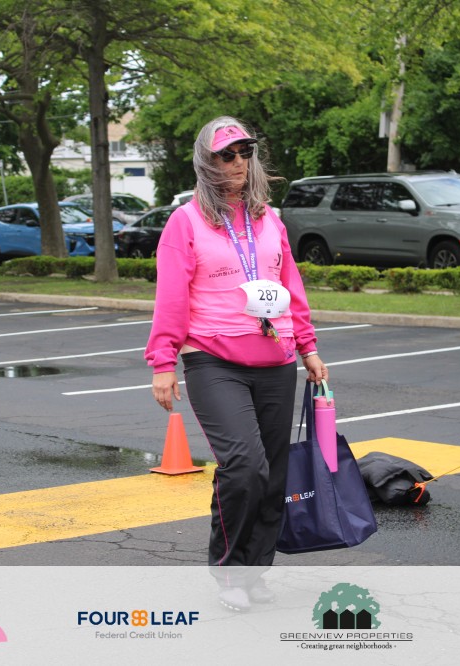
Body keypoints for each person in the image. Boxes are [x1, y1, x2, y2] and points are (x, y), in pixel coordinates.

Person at [146, 116, 328, 611]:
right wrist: (163, 362)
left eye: (245, 153)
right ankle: (228, 570)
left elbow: (290, 286)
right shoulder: (185, 221)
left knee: (273, 474)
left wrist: (308, 346)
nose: (238, 162)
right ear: (206, 162)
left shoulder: (269, 219)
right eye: (226, 154)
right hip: (212, 359)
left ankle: (255, 570)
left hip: (275, 357)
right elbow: (171, 296)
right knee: (244, 465)